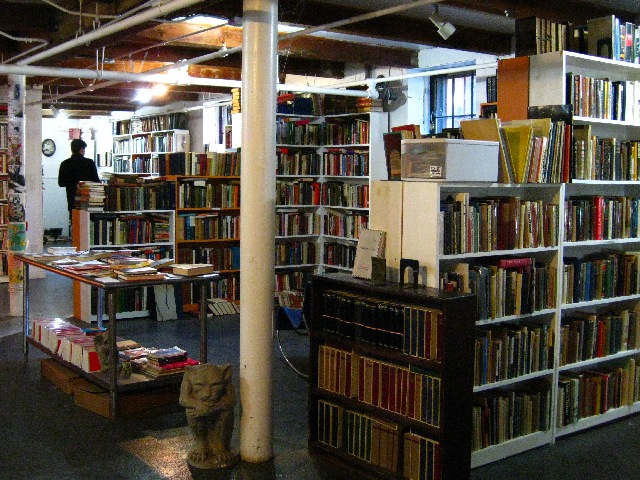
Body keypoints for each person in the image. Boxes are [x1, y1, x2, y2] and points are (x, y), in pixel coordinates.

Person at [57, 138, 100, 231]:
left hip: (72, 199)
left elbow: (61, 183)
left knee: (75, 225)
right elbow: (96, 181)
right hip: (88, 198)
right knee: (88, 225)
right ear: (81, 149)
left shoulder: (64, 164)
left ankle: (76, 243)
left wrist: (72, 183)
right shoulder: (89, 163)